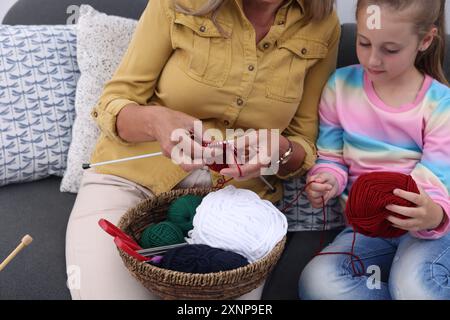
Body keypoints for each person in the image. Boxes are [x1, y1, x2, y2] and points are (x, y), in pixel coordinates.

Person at [65, 0, 340, 299]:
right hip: (130, 180)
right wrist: (156, 122)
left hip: (237, 209)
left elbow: (303, 144)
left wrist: (281, 150)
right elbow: (113, 103)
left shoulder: (322, 23)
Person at [300, 0, 450, 300]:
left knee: (413, 286)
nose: (372, 60)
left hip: (429, 227)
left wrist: (433, 216)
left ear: (425, 40)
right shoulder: (340, 86)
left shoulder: (440, 104)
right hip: (367, 229)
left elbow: (438, 181)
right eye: (363, 43)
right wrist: (326, 179)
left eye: (390, 49)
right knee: (316, 281)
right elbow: (331, 158)